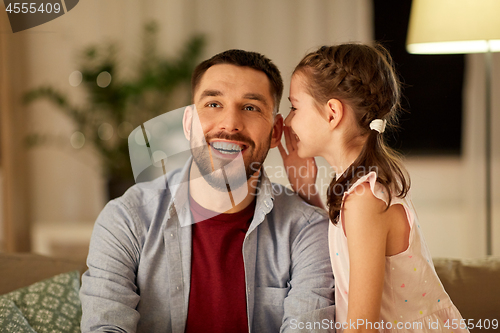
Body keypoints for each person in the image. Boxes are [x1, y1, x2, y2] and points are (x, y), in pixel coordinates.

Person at [80, 49, 335, 333]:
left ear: (275, 132)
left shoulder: (307, 231)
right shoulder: (126, 219)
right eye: (213, 104)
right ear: (188, 124)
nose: (229, 124)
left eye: (250, 107)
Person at [279, 43, 468, 332]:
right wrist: (306, 189)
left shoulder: (364, 198)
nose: (289, 121)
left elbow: (361, 326)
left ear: (332, 113)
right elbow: (341, 249)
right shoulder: (361, 187)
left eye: (294, 107)